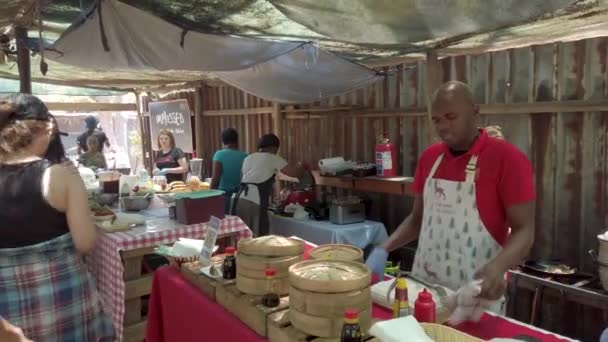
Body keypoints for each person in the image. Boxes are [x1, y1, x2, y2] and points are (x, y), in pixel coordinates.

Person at [365, 81, 535, 307]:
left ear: (475, 112)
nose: (443, 126)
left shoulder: (508, 159)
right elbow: (417, 220)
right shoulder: (430, 158)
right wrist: (383, 248)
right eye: (436, 119)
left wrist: (497, 267)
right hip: (423, 291)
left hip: (475, 295)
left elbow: (525, 230)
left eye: (451, 116)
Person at [0, 94, 114, 341]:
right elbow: (86, 243)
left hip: (7, 311)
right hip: (63, 301)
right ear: (48, 128)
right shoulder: (59, 176)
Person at [233, 133, 306, 236]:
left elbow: (243, 178)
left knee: (242, 236)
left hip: (238, 199)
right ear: (274, 147)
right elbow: (294, 173)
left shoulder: (249, 157)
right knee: (259, 237)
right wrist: (302, 166)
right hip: (254, 202)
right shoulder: (272, 157)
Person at [211, 128, 247, 213]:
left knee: (224, 222)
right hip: (240, 196)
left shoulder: (219, 155)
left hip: (223, 196)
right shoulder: (245, 156)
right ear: (237, 141)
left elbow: (215, 179)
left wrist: (210, 195)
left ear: (223, 141)